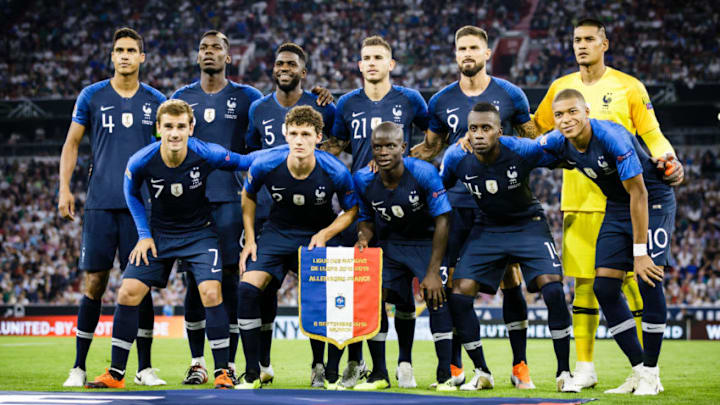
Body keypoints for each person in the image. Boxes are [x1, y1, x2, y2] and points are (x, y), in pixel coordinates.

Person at [531, 18, 683, 388]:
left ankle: (647, 369)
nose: (581, 46)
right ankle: (586, 366)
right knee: (587, 284)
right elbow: (537, 130)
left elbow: (651, 133)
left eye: (588, 40)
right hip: (580, 198)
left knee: (639, 280)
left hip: (630, 197)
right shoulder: (560, 89)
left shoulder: (628, 86)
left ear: (605, 44)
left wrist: (669, 158)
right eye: (576, 40)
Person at [84, 99, 259, 389]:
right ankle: (115, 374)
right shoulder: (141, 160)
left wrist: (289, 150)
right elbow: (130, 193)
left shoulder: (206, 153)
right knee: (128, 292)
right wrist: (143, 234)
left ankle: (222, 373)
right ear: (158, 129)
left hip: (199, 234)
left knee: (211, 291)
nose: (174, 133)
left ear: (191, 128)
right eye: (168, 127)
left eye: (180, 126)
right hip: (158, 235)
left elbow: (244, 161)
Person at [413, 25, 541, 389]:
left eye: (474, 48)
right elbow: (430, 148)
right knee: (455, 283)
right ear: (455, 55)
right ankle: (457, 368)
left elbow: (534, 140)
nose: (467, 53)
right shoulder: (440, 101)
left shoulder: (511, 95)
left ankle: (520, 365)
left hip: (501, 202)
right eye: (461, 48)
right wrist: (394, 162)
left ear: (488, 54)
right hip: (458, 203)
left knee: (510, 277)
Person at [440, 102, 578, 393]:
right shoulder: (456, 157)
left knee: (552, 288)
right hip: (487, 226)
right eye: (473, 128)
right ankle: (482, 371)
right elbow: (440, 187)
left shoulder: (520, 149)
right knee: (460, 293)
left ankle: (564, 372)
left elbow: (555, 144)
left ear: (499, 131)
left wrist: (570, 137)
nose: (478, 134)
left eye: (486, 128)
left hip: (527, 223)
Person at [58, 27, 166, 388]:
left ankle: (145, 367)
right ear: (112, 56)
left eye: (131, 50)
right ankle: (79, 367)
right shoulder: (91, 96)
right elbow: (72, 143)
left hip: (141, 209)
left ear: (142, 57)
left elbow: (167, 152)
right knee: (93, 284)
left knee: (140, 284)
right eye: (118, 49)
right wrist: (64, 189)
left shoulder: (155, 101)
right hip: (100, 205)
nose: (124, 55)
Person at [324, 35, 431, 389]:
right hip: (361, 207)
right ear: (359, 65)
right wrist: (319, 104)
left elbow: (435, 137)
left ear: (391, 64)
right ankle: (358, 364)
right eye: (366, 57)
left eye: (378, 57)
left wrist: (409, 162)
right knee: (362, 293)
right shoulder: (346, 104)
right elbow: (337, 145)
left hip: (402, 208)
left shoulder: (411, 100)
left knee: (400, 293)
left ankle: (404, 363)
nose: (371, 62)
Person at [235, 105, 358, 389]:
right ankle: (253, 373)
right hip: (277, 233)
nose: (299, 140)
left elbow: (352, 211)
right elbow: (248, 195)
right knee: (246, 288)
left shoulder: (335, 169)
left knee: (329, 295)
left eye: (306, 134)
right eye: (294, 133)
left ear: (318, 137)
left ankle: (324, 369)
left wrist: (326, 233)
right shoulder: (266, 163)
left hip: (317, 234)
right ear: (284, 134)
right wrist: (250, 239)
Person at [171, 30, 262, 384]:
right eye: (203, 48)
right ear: (197, 57)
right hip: (189, 205)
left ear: (229, 56)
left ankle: (228, 364)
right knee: (194, 284)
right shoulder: (181, 98)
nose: (209, 52)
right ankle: (197, 362)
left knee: (228, 281)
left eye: (217, 48)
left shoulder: (247, 98)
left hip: (230, 203)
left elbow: (258, 145)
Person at [245, 42, 336, 386]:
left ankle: (319, 366)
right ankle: (261, 365)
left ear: (303, 72)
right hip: (270, 217)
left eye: (291, 64)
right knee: (261, 290)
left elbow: (336, 144)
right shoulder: (258, 109)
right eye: (279, 62)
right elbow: (251, 155)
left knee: (315, 293)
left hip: (313, 217)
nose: (284, 68)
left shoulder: (321, 104)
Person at [352, 122, 456, 392]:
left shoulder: (424, 172)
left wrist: (433, 271)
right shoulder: (363, 178)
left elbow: (443, 219)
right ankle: (380, 374)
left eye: (390, 146)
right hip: (391, 244)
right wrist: (363, 236)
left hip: (426, 243)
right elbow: (365, 218)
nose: (383, 152)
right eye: (377, 147)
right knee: (377, 300)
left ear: (403, 148)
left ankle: (445, 375)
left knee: (437, 298)